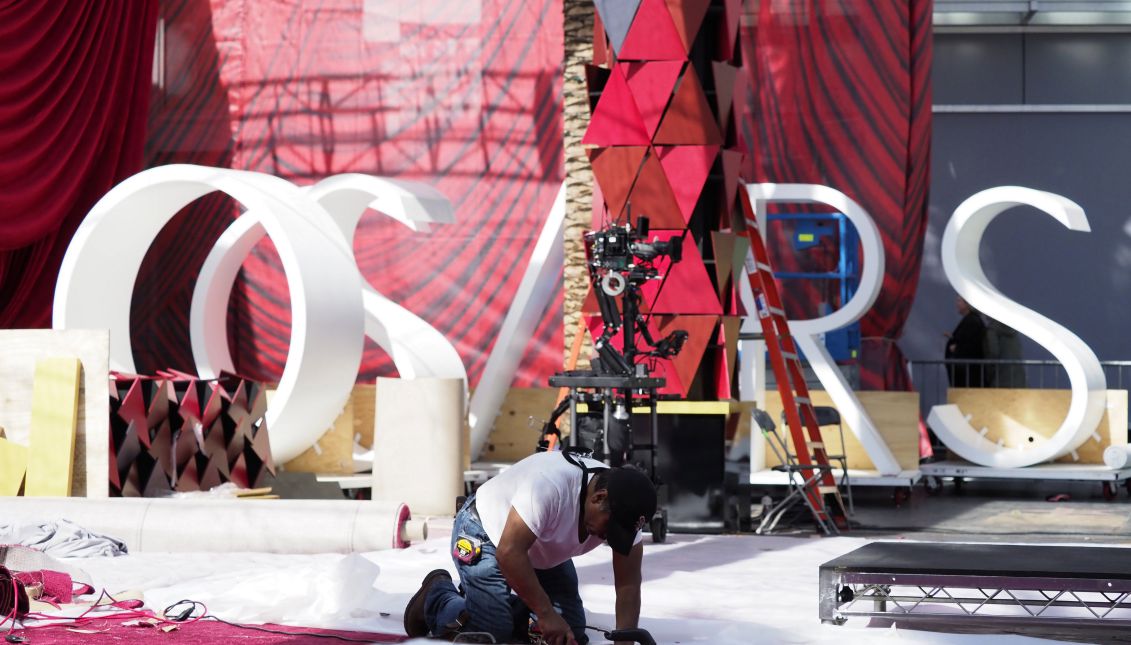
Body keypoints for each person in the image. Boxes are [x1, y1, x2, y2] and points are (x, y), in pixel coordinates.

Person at [403, 450, 657, 645]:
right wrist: (545, 613)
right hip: (486, 531)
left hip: (536, 547)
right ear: (598, 498)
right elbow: (509, 553)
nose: (608, 538)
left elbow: (628, 585)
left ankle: (506, 605)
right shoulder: (550, 486)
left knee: (571, 635)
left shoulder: (626, 512)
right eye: (609, 530)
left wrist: (625, 640)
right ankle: (438, 595)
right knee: (490, 633)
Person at [944, 295, 986, 387]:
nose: (956, 304)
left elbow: (972, 345)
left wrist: (956, 348)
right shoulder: (971, 320)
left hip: (968, 376)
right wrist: (953, 339)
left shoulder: (972, 321)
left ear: (967, 304)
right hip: (966, 374)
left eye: (959, 301)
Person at [984, 317, 1026, 387]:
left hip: (999, 379)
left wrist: (989, 375)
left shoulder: (992, 330)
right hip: (1018, 379)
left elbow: (993, 353)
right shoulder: (1013, 330)